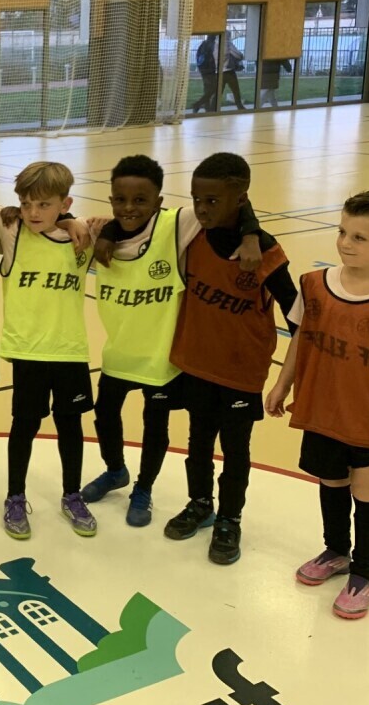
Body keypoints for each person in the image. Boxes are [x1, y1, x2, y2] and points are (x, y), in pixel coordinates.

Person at [265, 190, 369, 620]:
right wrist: (282, 383)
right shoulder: (314, 285)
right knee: (332, 483)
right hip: (321, 410)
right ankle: (336, 551)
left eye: (359, 237)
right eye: (342, 232)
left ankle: (365, 574)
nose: (345, 243)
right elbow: (299, 337)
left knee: (368, 492)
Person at [85, 155, 261, 528]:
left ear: (159, 202)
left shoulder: (175, 225)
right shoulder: (99, 236)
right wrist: (105, 233)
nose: (129, 208)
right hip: (118, 354)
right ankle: (115, 471)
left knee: (155, 427)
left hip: (161, 360)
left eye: (140, 200)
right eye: (120, 199)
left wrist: (250, 235)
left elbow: (235, 204)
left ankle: (143, 489)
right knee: (104, 416)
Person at [163, 153, 297, 565]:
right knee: (197, 441)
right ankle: (200, 503)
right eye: (196, 200)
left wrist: (288, 382)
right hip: (197, 363)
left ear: (240, 198)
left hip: (241, 372)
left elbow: (299, 319)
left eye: (212, 201)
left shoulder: (266, 252)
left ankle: (230, 518)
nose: (202, 209)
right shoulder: (191, 235)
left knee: (235, 449)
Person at [0, 162, 96, 540]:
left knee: (71, 425)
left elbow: (113, 223)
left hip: (69, 351)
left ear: (65, 202)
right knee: (25, 425)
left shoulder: (82, 239)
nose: (33, 213)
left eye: (44, 205)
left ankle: (72, 494)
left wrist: (74, 222)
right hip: (28, 352)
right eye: (26, 204)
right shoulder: (12, 232)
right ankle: (15, 497)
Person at [221, 33, 247, 110]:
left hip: (218, 72)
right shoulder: (228, 44)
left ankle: (212, 107)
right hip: (228, 71)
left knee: (219, 91)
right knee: (235, 90)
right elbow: (238, 55)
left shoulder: (215, 44)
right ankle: (239, 106)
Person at [192, 38, 217, 113]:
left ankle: (207, 107)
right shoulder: (212, 45)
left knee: (207, 89)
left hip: (204, 70)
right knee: (213, 89)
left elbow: (198, 57)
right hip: (210, 70)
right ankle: (198, 104)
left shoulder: (203, 45)